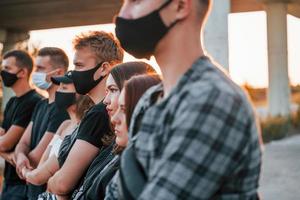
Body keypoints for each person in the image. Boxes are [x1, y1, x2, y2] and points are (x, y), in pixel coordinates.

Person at [114, 0, 263, 199]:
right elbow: (115, 191)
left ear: (181, 6)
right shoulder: (151, 99)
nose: (123, 15)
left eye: (136, 1)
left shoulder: (213, 100)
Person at [46, 31, 124, 198]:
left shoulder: (99, 113)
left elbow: (62, 184)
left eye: (79, 66)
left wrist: (50, 182)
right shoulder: (96, 110)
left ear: (104, 68)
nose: (73, 73)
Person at [70, 63, 159, 199]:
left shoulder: (141, 162)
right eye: (106, 91)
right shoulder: (113, 146)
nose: (105, 101)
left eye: (112, 90)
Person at [15, 47, 70, 200]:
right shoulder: (41, 104)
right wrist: (20, 156)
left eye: (40, 68)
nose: (35, 73)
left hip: (45, 193)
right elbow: (23, 142)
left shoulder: (62, 109)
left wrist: (19, 159)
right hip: (30, 190)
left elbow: (38, 157)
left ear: (58, 73)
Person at [23, 73, 93, 187]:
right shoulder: (65, 125)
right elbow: (42, 164)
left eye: (64, 88)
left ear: (81, 96)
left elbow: (38, 177)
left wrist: (25, 172)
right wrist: (32, 175)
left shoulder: (82, 129)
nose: (58, 91)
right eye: (59, 86)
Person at [0, 50, 42, 200]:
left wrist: (6, 149)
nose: (2, 73)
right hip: (9, 181)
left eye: (7, 69)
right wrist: (8, 154)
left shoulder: (34, 102)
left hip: (23, 185)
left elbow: (4, 143)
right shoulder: (12, 102)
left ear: (22, 72)